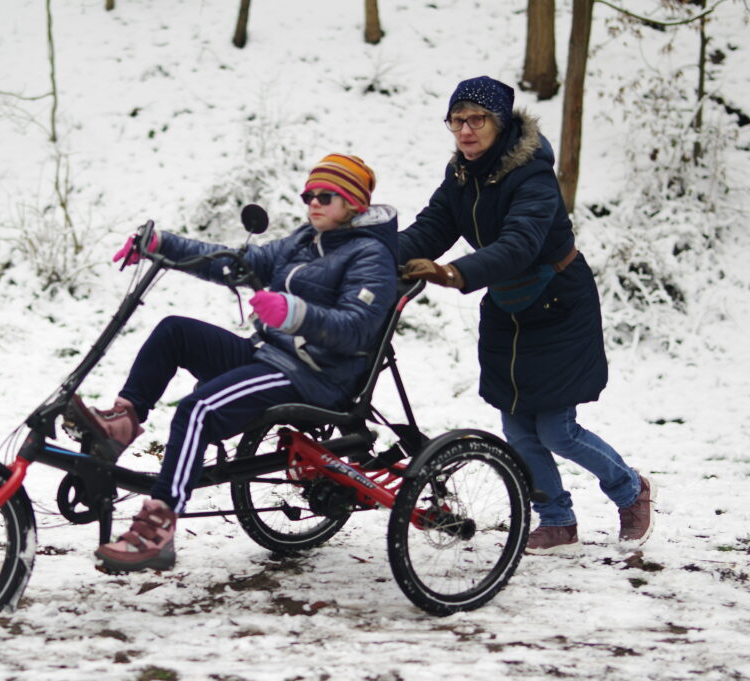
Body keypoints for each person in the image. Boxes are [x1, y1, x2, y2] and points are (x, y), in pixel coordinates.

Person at [65, 154, 398, 572]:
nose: (313, 203)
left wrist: (293, 313)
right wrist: (162, 245)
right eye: (309, 195)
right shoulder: (304, 239)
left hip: (312, 376)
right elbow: (238, 262)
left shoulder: (370, 255)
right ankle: (123, 422)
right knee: (174, 331)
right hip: (270, 356)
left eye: (325, 196)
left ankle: (158, 527)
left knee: (197, 409)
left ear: (354, 203)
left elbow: (358, 328)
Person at [397, 76, 654, 555]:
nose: (466, 131)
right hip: (508, 309)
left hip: (558, 302)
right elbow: (429, 228)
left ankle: (629, 490)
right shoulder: (461, 176)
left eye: (478, 120)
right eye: (458, 120)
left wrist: (453, 271)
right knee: (517, 428)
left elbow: (519, 245)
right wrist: (374, 255)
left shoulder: (532, 175)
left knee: (556, 429)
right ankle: (557, 519)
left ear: (501, 124)